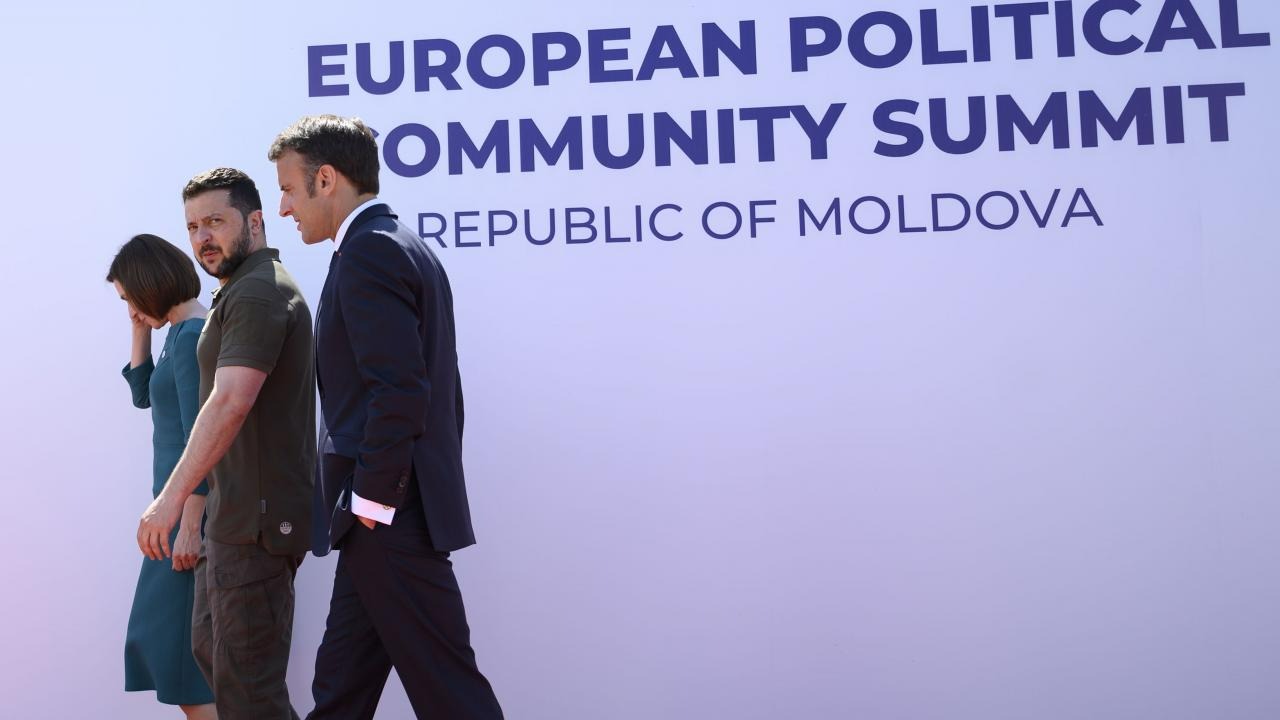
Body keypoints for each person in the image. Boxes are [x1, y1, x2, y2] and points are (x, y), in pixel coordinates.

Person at [269, 114, 503, 719]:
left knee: (450, 693)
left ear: (326, 179)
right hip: (377, 516)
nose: (285, 207)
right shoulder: (395, 243)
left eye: (289, 189)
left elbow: (401, 391)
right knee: (340, 689)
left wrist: (373, 502)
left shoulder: (371, 251)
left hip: (387, 516)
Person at [135, 167, 315, 720]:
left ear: (254, 222)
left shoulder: (259, 291)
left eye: (215, 221)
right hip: (232, 524)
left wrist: (172, 502)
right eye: (193, 227)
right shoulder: (236, 292)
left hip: (255, 527)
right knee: (227, 679)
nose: (202, 238)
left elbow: (230, 402)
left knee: (249, 695)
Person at [109, 234, 217, 720]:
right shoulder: (176, 332)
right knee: (176, 663)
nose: (130, 308)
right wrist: (140, 330)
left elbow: (202, 439)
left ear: (150, 283)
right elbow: (143, 395)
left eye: (130, 298)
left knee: (187, 671)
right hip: (170, 517)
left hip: (185, 518)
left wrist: (190, 526)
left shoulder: (193, 335)